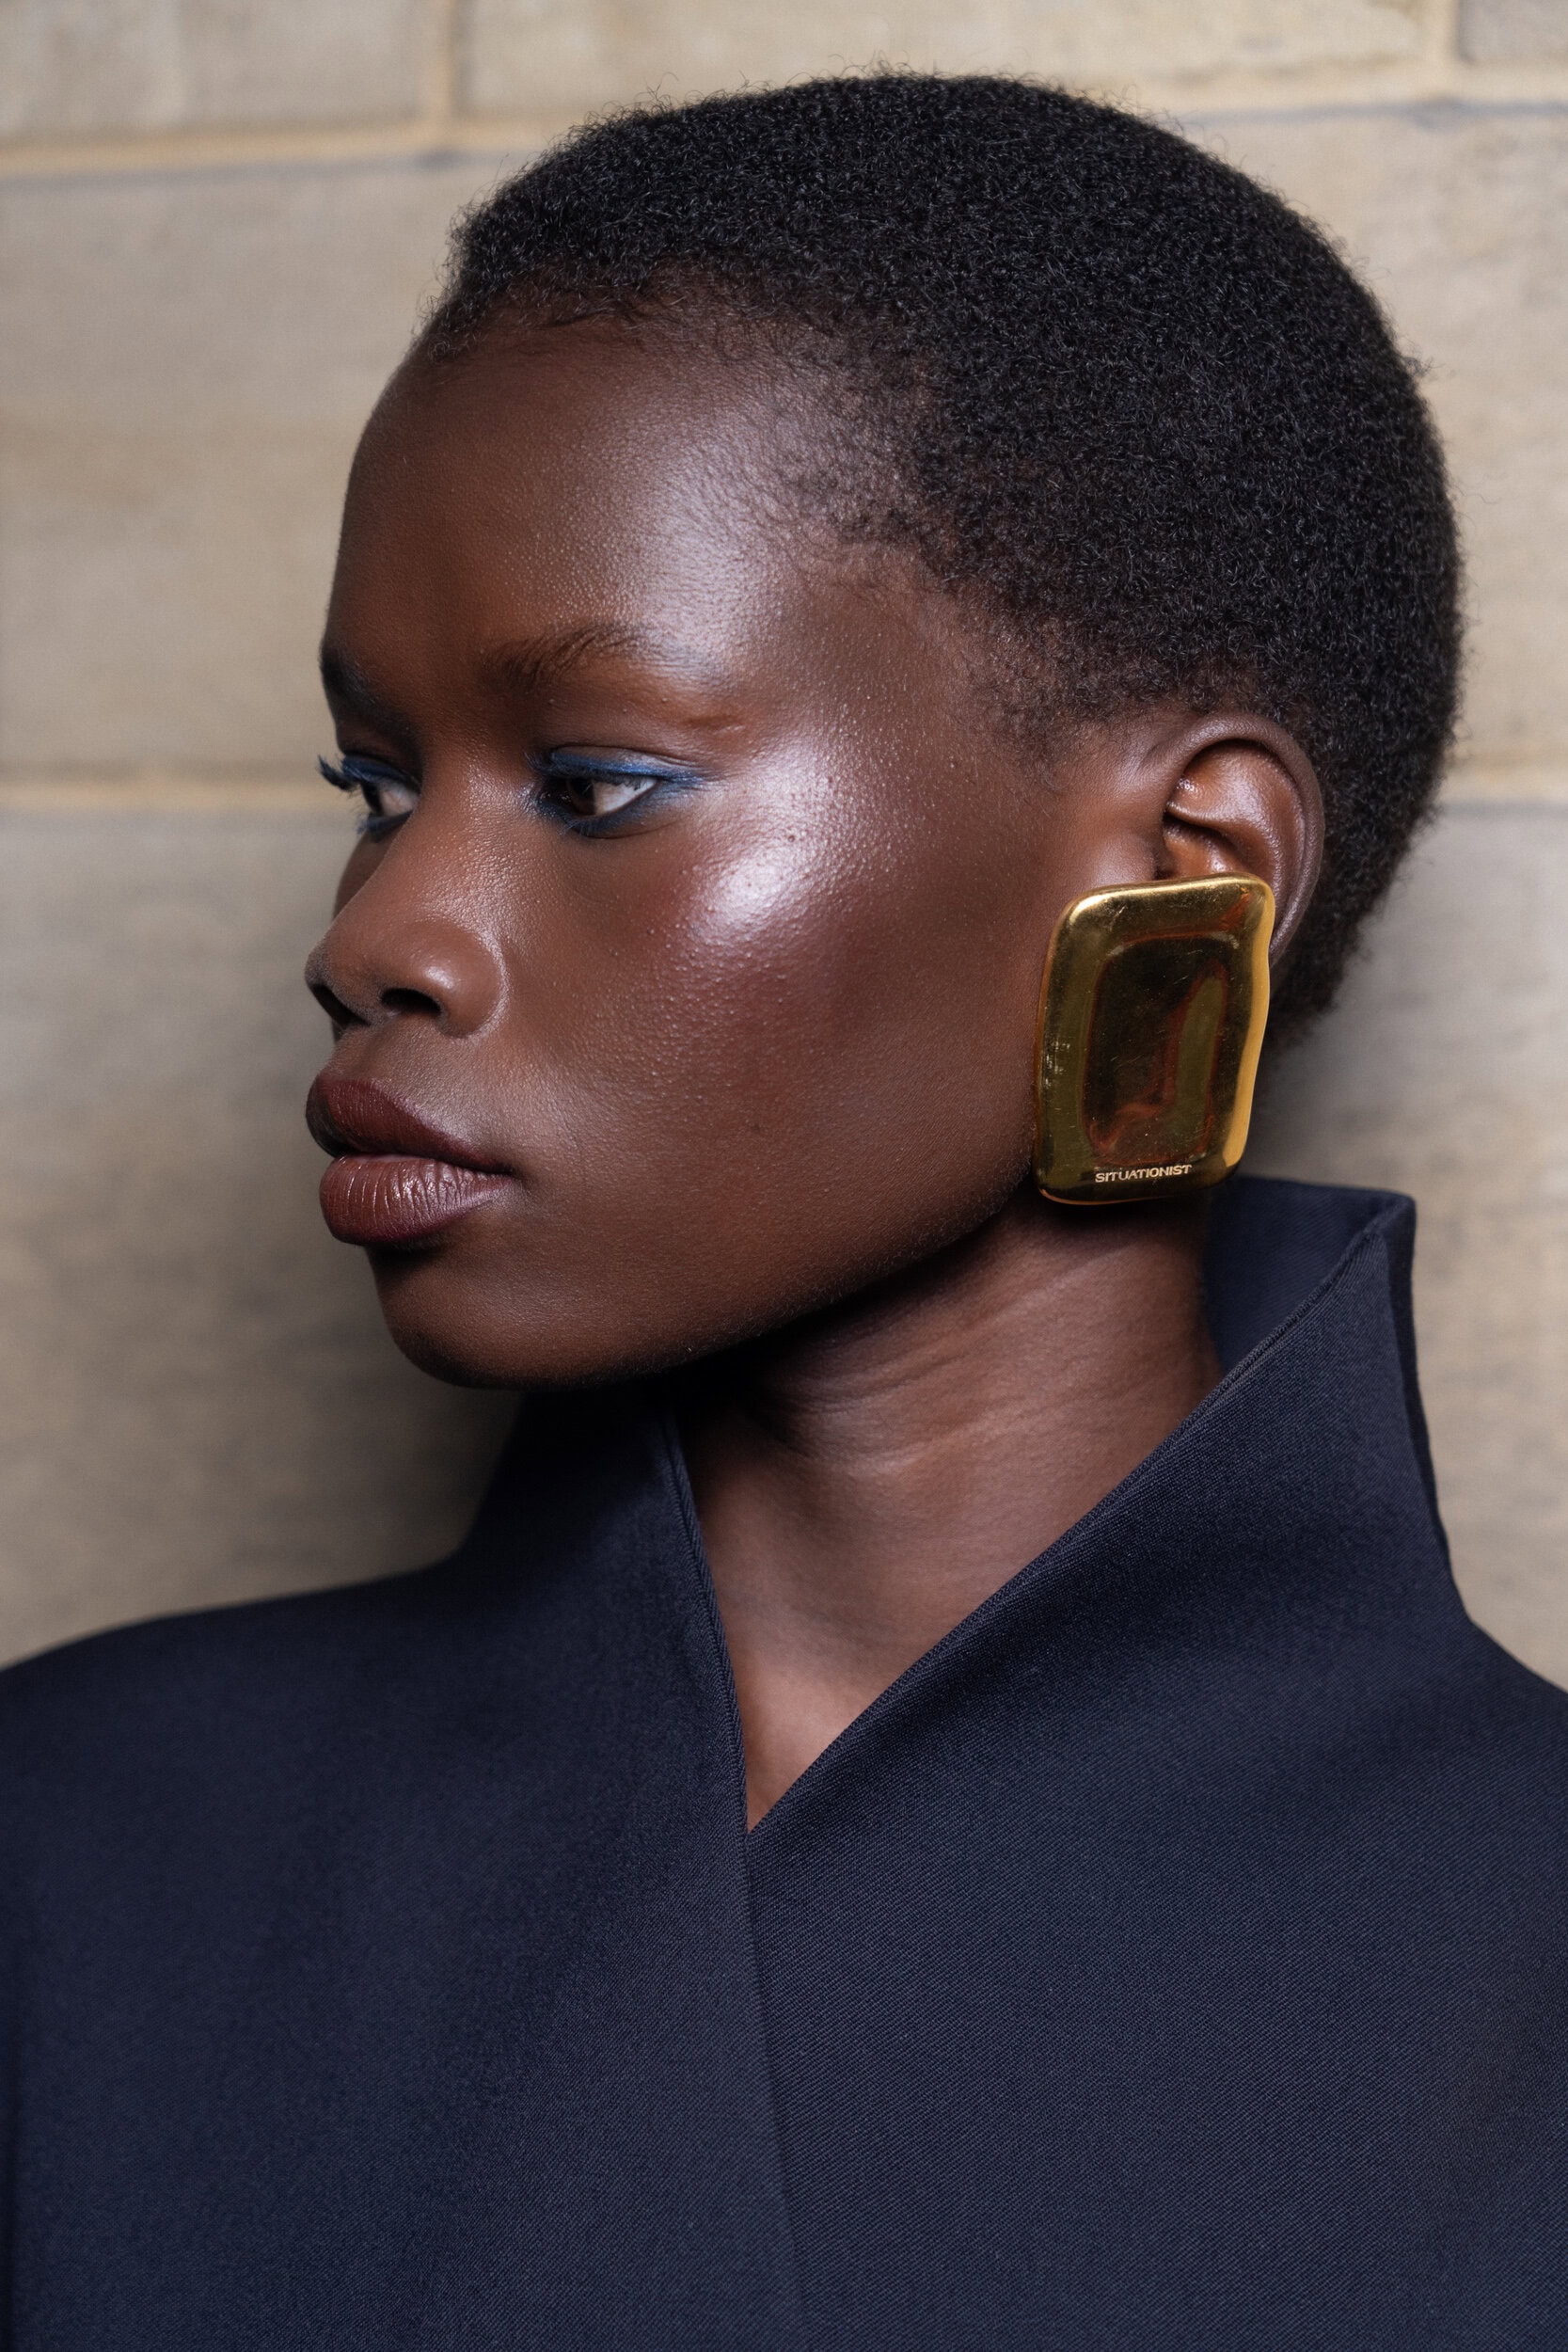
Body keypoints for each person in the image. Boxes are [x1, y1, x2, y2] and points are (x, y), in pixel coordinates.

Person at [4, 73, 1564, 2349]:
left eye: (597, 781)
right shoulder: (72, 1849)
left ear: (1186, 871)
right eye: (375, 780)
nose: (379, 933)